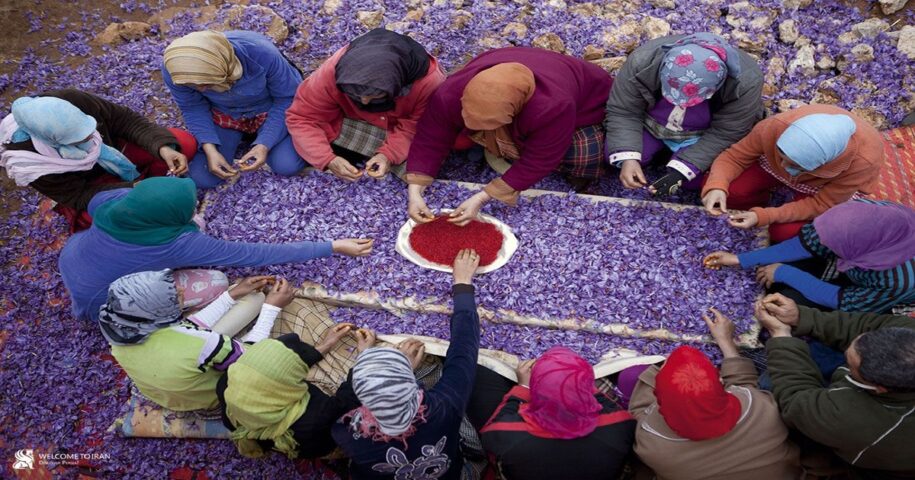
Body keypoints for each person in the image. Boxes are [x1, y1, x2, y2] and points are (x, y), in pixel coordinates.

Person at [58, 176, 373, 321]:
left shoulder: (106, 202)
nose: (195, 205)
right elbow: (256, 255)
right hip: (107, 303)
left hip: (74, 262)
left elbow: (142, 193)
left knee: (187, 220)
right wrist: (331, 245)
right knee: (217, 282)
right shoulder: (180, 243)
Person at [405, 47, 613, 226]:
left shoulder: (551, 106)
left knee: (584, 152)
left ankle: (576, 174)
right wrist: (415, 192)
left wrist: (484, 197)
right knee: (464, 135)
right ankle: (502, 140)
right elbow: (431, 135)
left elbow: (542, 157)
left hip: (586, 107)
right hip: (515, 91)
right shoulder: (452, 92)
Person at [332, 249, 481, 479]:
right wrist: (462, 283)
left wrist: (366, 357)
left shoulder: (348, 430)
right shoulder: (445, 407)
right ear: (411, 383)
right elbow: (464, 350)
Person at [627, 309, 801, 480]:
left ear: (659, 397)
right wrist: (725, 340)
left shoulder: (652, 445)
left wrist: (656, 377)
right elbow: (744, 383)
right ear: (720, 381)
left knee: (630, 377)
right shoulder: (763, 408)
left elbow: (641, 411)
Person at [756, 293, 915, 479]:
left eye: (850, 361)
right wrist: (800, 316)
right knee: (813, 345)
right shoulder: (909, 335)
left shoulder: (857, 421)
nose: (847, 351)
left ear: (879, 388)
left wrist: (781, 336)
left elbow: (795, 399)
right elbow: (860, 325)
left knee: (769, 383)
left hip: (863, 445)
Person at [0, 89, 195, 231]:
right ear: (53, 142)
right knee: (110, 218)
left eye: (89, 127)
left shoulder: (69, 100)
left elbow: (125, 120)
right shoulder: (30, 163)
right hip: (93, 184)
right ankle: (148, 185)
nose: (90, 136)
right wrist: (131, 188)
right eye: (79, 138)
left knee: (183, 143)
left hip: (114, 151)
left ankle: (151, 180)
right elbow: (79, 195)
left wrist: (162, 148)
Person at [101, 270, 293, 411]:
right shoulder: (200, 344)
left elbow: (186, 328)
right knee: (282, 343)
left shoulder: (121, 334)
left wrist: (231, 295)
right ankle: (237, 343)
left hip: (168, 393)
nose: (183, 289)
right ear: (160, 311)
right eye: (175, 295)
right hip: (210, 395)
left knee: (253, 297)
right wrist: (271, 309)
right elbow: (252, 361)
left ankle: (235, 335)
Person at [604, 33, 763, 197]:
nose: (679, 105)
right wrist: (629, 158)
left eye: (689, 101)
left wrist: (682, 171)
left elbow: (725, 132)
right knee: (615, 153)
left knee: (694, 181)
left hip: (699, 134)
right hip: (652, 124)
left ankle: (675, 161)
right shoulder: (641, 61)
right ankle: (659, 156)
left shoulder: (746, 83)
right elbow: (624, 111)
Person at [701, 104, 884, 243]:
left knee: (785, 233)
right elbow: (734, 156)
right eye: (781, 155)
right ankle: (758, 200)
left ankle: (767, 209)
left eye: (795, 165)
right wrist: (717, 185)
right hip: (770, 167)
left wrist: (764, 216)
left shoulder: (862, 163)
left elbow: (822, 203)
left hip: (821, 185)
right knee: (728, 190)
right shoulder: (775, 127)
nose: (783, 165)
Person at [285, 29, 445, 181]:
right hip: (352, 123)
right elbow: (302, 117)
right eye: (355, 94)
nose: (364, 102)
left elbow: (415, 128)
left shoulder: (429, 83)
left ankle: (363, 154)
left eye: (374, 95)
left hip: (400, 131)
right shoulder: (335, 71)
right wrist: (327, 159)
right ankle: (350, 154)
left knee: (418, 173)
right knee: (304, 151)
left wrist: (387, 155)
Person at [704, 199, 915, 313]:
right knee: (769, 278)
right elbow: (809, 243)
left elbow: (845, 302)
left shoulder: (897, 281)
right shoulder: (867, 214)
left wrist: (784, 272)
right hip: (847, 256)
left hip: (869, 298)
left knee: (784, 301)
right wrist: (741, 259)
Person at [162, 30, 304, 188]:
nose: (201, 90)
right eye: (194, 86)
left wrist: (264, 143)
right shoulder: (175, 71)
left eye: (206, 84)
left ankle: (270, 140)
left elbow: (287, 98)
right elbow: (192, 107)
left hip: (269, 109)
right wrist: (210, 149)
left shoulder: (260, 53)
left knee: (286, 165)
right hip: (225, 114)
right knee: (202, 176)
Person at [216, 324, 378, 459]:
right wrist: (364, 356)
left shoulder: (227, 383)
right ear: (284, 381)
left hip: (262, 430)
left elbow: (274, 366)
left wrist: (326, 344)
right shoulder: (314, 413)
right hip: (314, 443)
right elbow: (346, 400)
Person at [474, 347, 636, 480]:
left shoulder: (506, 434)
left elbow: (492, 430)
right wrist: (575, 383)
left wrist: (523, 388)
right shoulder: (622, 425)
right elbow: (607, 403)